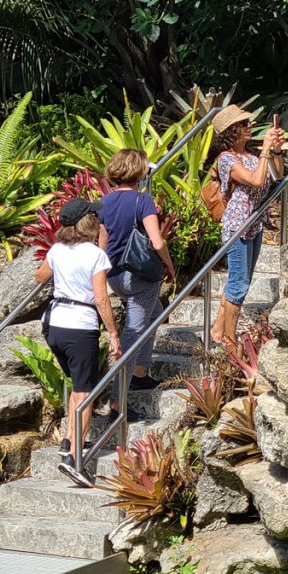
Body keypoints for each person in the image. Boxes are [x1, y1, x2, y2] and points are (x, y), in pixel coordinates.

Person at [35, 199, 122, 488]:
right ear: (90, 223)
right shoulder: (95, 255)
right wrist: (112, 333)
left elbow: (40, 275)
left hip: (54, 325)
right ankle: (74, 459)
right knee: (86, 395)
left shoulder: (57, 250)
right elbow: (101, 298)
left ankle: (68, 439)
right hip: (80, 326)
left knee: (77, 386)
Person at [97, 149, 176, 423]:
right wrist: (169, 265)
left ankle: (140, 375)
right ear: (139, 171)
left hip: (116, 277)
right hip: (141, 276)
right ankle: (117, 404)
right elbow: (156, 241)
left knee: (155, 313)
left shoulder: (104, 203)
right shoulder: (143, 200)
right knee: (132, 336)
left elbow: (102, 246)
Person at [206, 105, 285, 347]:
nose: (249, 126)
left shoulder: (251, 157)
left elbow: (276, 176)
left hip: (254, 224)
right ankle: (230, 341)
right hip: (237, 227)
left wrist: (277, 152)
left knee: (243, 281)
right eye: (243, 124)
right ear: (231, 131)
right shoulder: (226, 159)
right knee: (238, 284)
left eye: (248, 123)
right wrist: (265, 150)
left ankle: (218, 329)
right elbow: (255, 180)